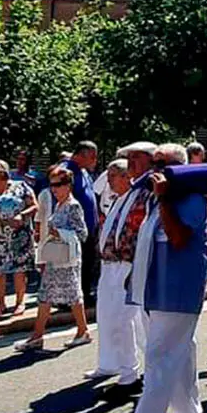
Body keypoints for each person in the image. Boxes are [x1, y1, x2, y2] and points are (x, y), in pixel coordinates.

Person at [109, 144, 207, 413]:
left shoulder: (190, 200)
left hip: (177, 293)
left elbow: (179, 238)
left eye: (161, 164)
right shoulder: (157, 200)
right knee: (177, 361)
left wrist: (165, 198)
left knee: (159, 361)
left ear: (178, 168)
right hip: (155, 292)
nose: (155, 169)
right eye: (153, 162)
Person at [85, 146, 154, 396]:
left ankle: (130, 374)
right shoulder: (118, 199)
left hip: (127, 266)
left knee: (124, 321)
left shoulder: (141, 196)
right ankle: (118, 366)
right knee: (111, 318)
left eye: (115, 175)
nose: (110, 180)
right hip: (111, 265)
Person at [14, 167, 91, 351]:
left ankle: (82, 331)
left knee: (72, 296)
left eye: (57, 185)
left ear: (68, 186)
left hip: (67, 259)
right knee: (46, 295)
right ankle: (38, 336)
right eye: (51, 185)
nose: (53, 189)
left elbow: (83, 233)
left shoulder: (73, 206)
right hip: (55, 258)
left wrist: (61, 233)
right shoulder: (59, 205)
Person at [0, 160, 38, 316]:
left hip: (19, 234)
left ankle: (20, 302)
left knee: (20, 270)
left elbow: (34, 205)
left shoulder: (21, 187)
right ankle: (1, 304)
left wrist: (21, 215)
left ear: (3, 173)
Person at [62, 141, 100, 305]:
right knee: (76, 263)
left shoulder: (84, 172)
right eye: (92, 156)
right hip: (75, 227)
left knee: (87, 262)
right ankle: (71, 298)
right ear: (80, 155)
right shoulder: (67, 171)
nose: (95, 160)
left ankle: (84, 293)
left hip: (90, 226)